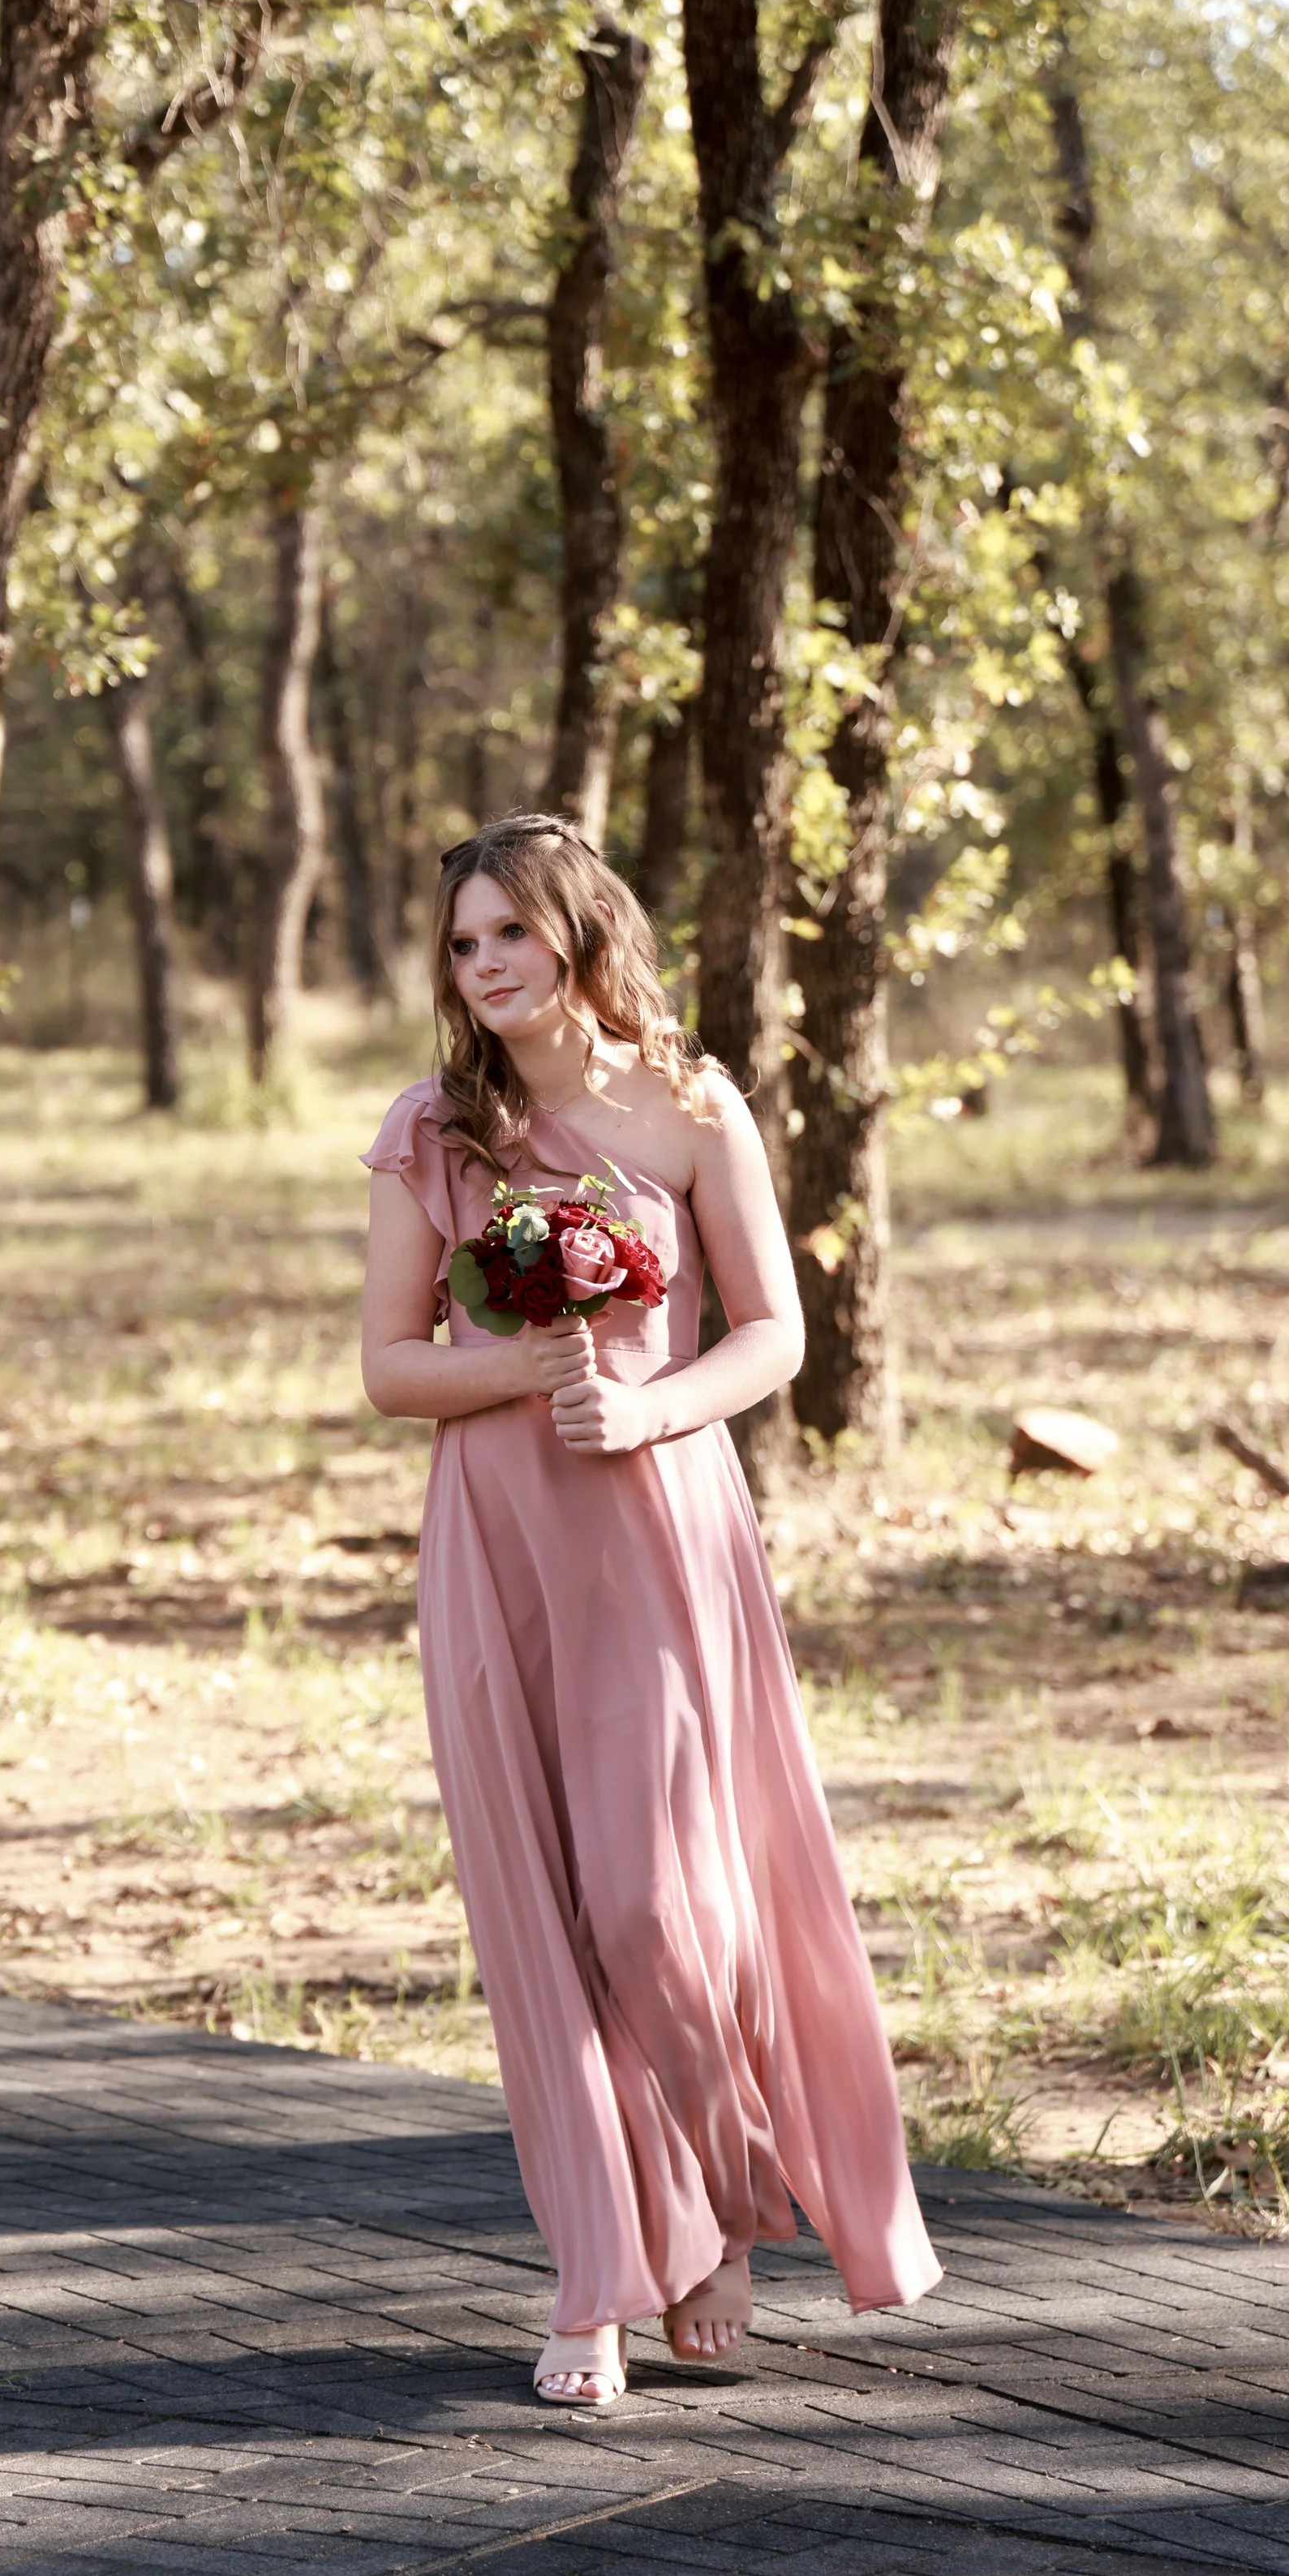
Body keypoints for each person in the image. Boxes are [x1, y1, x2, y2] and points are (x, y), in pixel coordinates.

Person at [359, 814, 940, 2407]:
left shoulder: (688, 1108)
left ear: (579, 934)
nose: (480, 968)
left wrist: (648, 1406)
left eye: (507, 937)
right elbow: (388, 1362)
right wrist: (520, 1368)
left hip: (652, 1526)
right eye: (461, 945)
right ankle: (598, 2275)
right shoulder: (436, 1127)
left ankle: (730, 2191)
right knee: (540, 1919)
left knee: (650, 1905)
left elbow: (773, 1334)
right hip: (496, 1538)